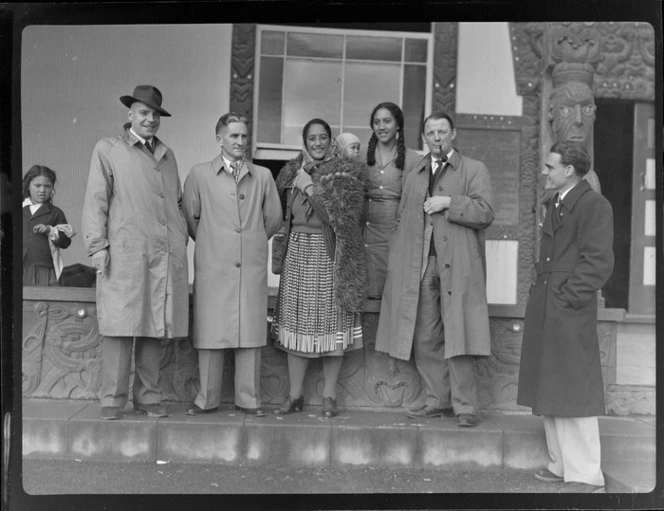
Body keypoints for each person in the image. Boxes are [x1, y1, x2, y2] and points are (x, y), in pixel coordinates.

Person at [376, 111, 494, 428]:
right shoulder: (415, 171)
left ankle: (465, 406)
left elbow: (485, 212)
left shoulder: (474, 169)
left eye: (442, 131)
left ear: (453, 133)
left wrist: (448, 203)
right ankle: (437, 399)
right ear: (424, 137)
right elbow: (402, 217)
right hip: (421, 262)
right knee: (425, 331)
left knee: (460, 331)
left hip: (458, 263)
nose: (437, 138)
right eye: (430, 133)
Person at [82, 85, 189, 421]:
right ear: (130, 115)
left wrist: (182, 238)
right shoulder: (108, 149)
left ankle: (148, 398)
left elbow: (178, 203)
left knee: (154, 324)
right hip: (125, 252)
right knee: (119, 324)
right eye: (144, 113)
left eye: (156, 114)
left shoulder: (168, 155)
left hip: (163, 253)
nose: (151, 119)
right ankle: (112, 401)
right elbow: (96, 200)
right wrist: (97, 245)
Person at [517, 141, 614, 493]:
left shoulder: (593, 205)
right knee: (551, 384)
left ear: (569, 170)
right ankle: (561, 465)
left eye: (549, 166)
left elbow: (598, 262)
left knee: (574, 387)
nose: (544, 172)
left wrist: (568, 297)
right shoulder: (557, 201)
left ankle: (586, 475)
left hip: (566, 306)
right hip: (548, 302)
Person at [182, 113, 282, 417]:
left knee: (250, 333)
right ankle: (206, 399)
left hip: (250, 266)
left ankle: (249, 399)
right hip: (213, 266)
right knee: (210, 332)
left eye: (243, 135)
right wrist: (216, 243)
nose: (240, 141)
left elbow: (274, 218)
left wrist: (250, 241)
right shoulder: (199, 174)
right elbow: (191, 218)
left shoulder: (262, 176)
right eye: (234, 136)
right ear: (219, 139)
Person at [272, 119, 367, 418]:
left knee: (332, 325)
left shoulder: (344, 172)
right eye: (312, 138)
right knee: (296, 324)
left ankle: (329, 396)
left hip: (329, 254)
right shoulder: (290, 172)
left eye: (323, 137)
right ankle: (295, 395)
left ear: (331, 141)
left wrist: (310, 187)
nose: (317, 142)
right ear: (304, 141)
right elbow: (276, 212)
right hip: (296, 252)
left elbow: (339, 218)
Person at [364, 102, 422, 299]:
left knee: (393, 297)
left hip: (396, 237)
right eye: (377, 122)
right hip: (365, 236)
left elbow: (416, 204)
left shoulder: (412, 159)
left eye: (387, 121)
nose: (381, 126)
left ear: (398, 125)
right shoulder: (361, 156)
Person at [22, 165, 73, 286]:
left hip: (46, 270)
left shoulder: (55, 212)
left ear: (52, 188)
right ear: (28, 186)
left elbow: (65, 242)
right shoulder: (19, 209)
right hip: (20, 268)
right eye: (37, 185)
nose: (42, 190)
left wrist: (50, 230)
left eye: (47, 186)